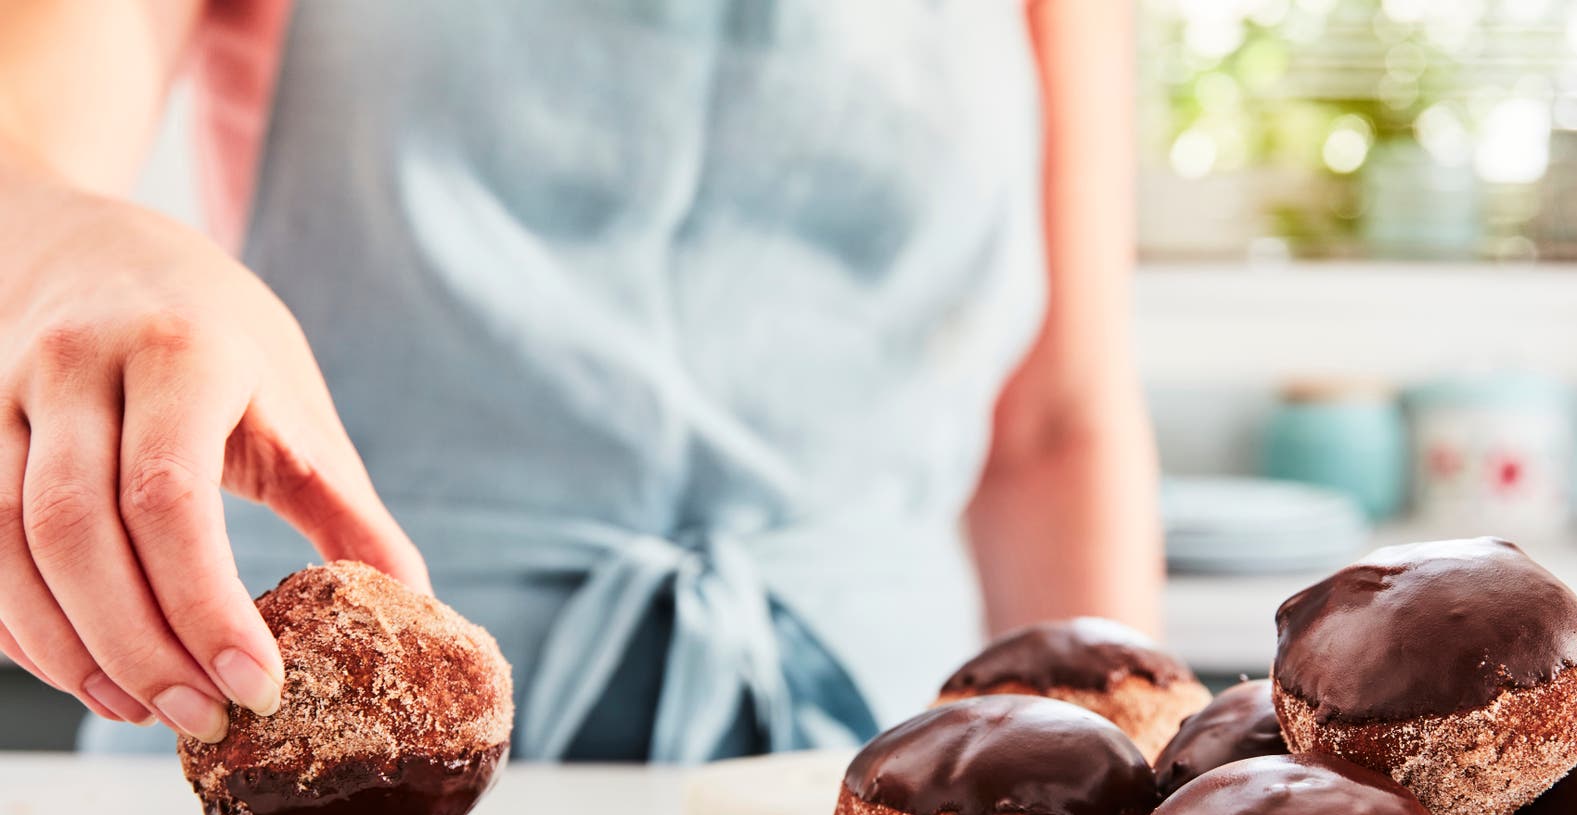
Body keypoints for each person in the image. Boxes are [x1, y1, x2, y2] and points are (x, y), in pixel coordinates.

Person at [0, 0, 1162, 762]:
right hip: (300, 735)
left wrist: (1121, 778)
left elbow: (1052, 426)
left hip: (879, 759)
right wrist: (66, 245)